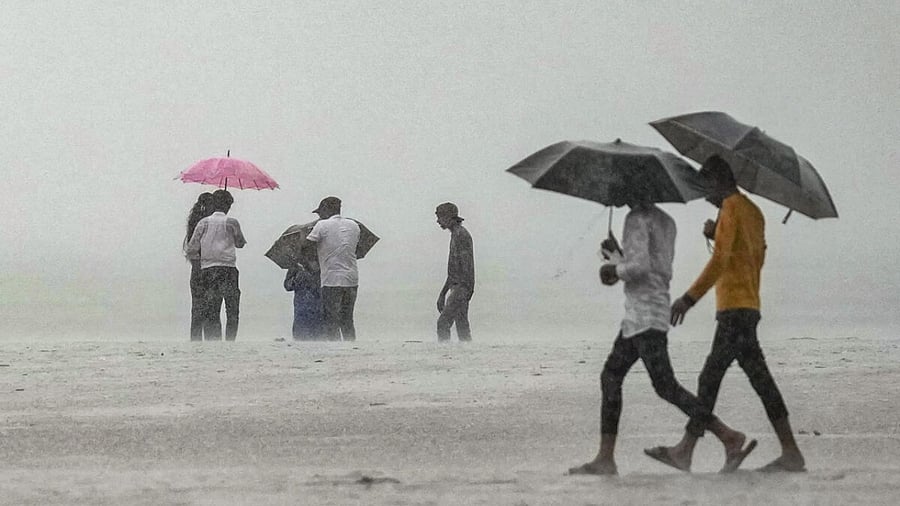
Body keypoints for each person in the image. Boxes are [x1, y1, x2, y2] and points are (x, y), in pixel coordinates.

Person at [568, 183, 755, 476]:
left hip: (642, 317)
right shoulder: (666, 221)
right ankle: (605, 457)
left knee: (663, 385)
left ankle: (728, 435)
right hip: (650, 313)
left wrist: (612, 269)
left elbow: (640, 267)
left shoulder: (636, 219)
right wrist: (619, 256)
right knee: (613, 376)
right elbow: (656, 267)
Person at [649, 155, 806, 473]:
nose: (704, 196)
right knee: (759, 380)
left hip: (733, 309)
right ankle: (789, 452)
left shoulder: (731, 208)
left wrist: (688, 299)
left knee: (712, 377)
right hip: (749, 305)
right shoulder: (753, 211)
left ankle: (691, 449)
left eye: (705, 188)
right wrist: (717, 233)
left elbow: (720, 261)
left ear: (718, 181)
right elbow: (752, 258)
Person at [184, 189, 246, 341]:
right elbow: (240, 243)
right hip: (229, 269)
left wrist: (204, 256)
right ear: (228, 205)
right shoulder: (232, 222)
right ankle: (230, 342)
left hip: (208, 270)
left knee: (212, 310)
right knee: (232, 310)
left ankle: (213, 343)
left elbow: (191, 248)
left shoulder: (202, 223)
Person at [304, 196, 360, 341]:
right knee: (347, 318)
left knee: (330, 317)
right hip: (352, 278)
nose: (319, 215)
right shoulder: (354, 225)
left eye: (320, 212)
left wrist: (312, 264)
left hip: (330, 278)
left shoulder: (322, 225)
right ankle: (351, 345)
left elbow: (306, 247)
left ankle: (334, 347)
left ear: (326, 209)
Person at [434, 202, 475, 342]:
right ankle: (465, 356)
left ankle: (446, 356)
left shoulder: (461, 235)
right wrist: (444, 292)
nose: (438, 221)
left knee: (443, 324)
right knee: (462, 326)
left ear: (449, 217)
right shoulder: (456, 234)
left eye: (440, 216)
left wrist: (461, 292)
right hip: (459, 288)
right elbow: (453, 271)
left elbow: (465, 268)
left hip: (461, 288)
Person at [184, 192, 215, 341]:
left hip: (196, 269)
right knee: (211, 309)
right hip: (208, 268)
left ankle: (195, 341)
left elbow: (190, 250)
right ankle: (210, 342)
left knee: (197, 308)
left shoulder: (194, 222)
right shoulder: (207, 223)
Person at [284, 250, 322, 340]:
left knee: (319, 339)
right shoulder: (296, 265)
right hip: (301, 308)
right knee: (300, 338)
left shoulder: (324, 262)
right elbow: (287, 285)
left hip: (319, 308)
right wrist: (297, 279)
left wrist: (313, 277)